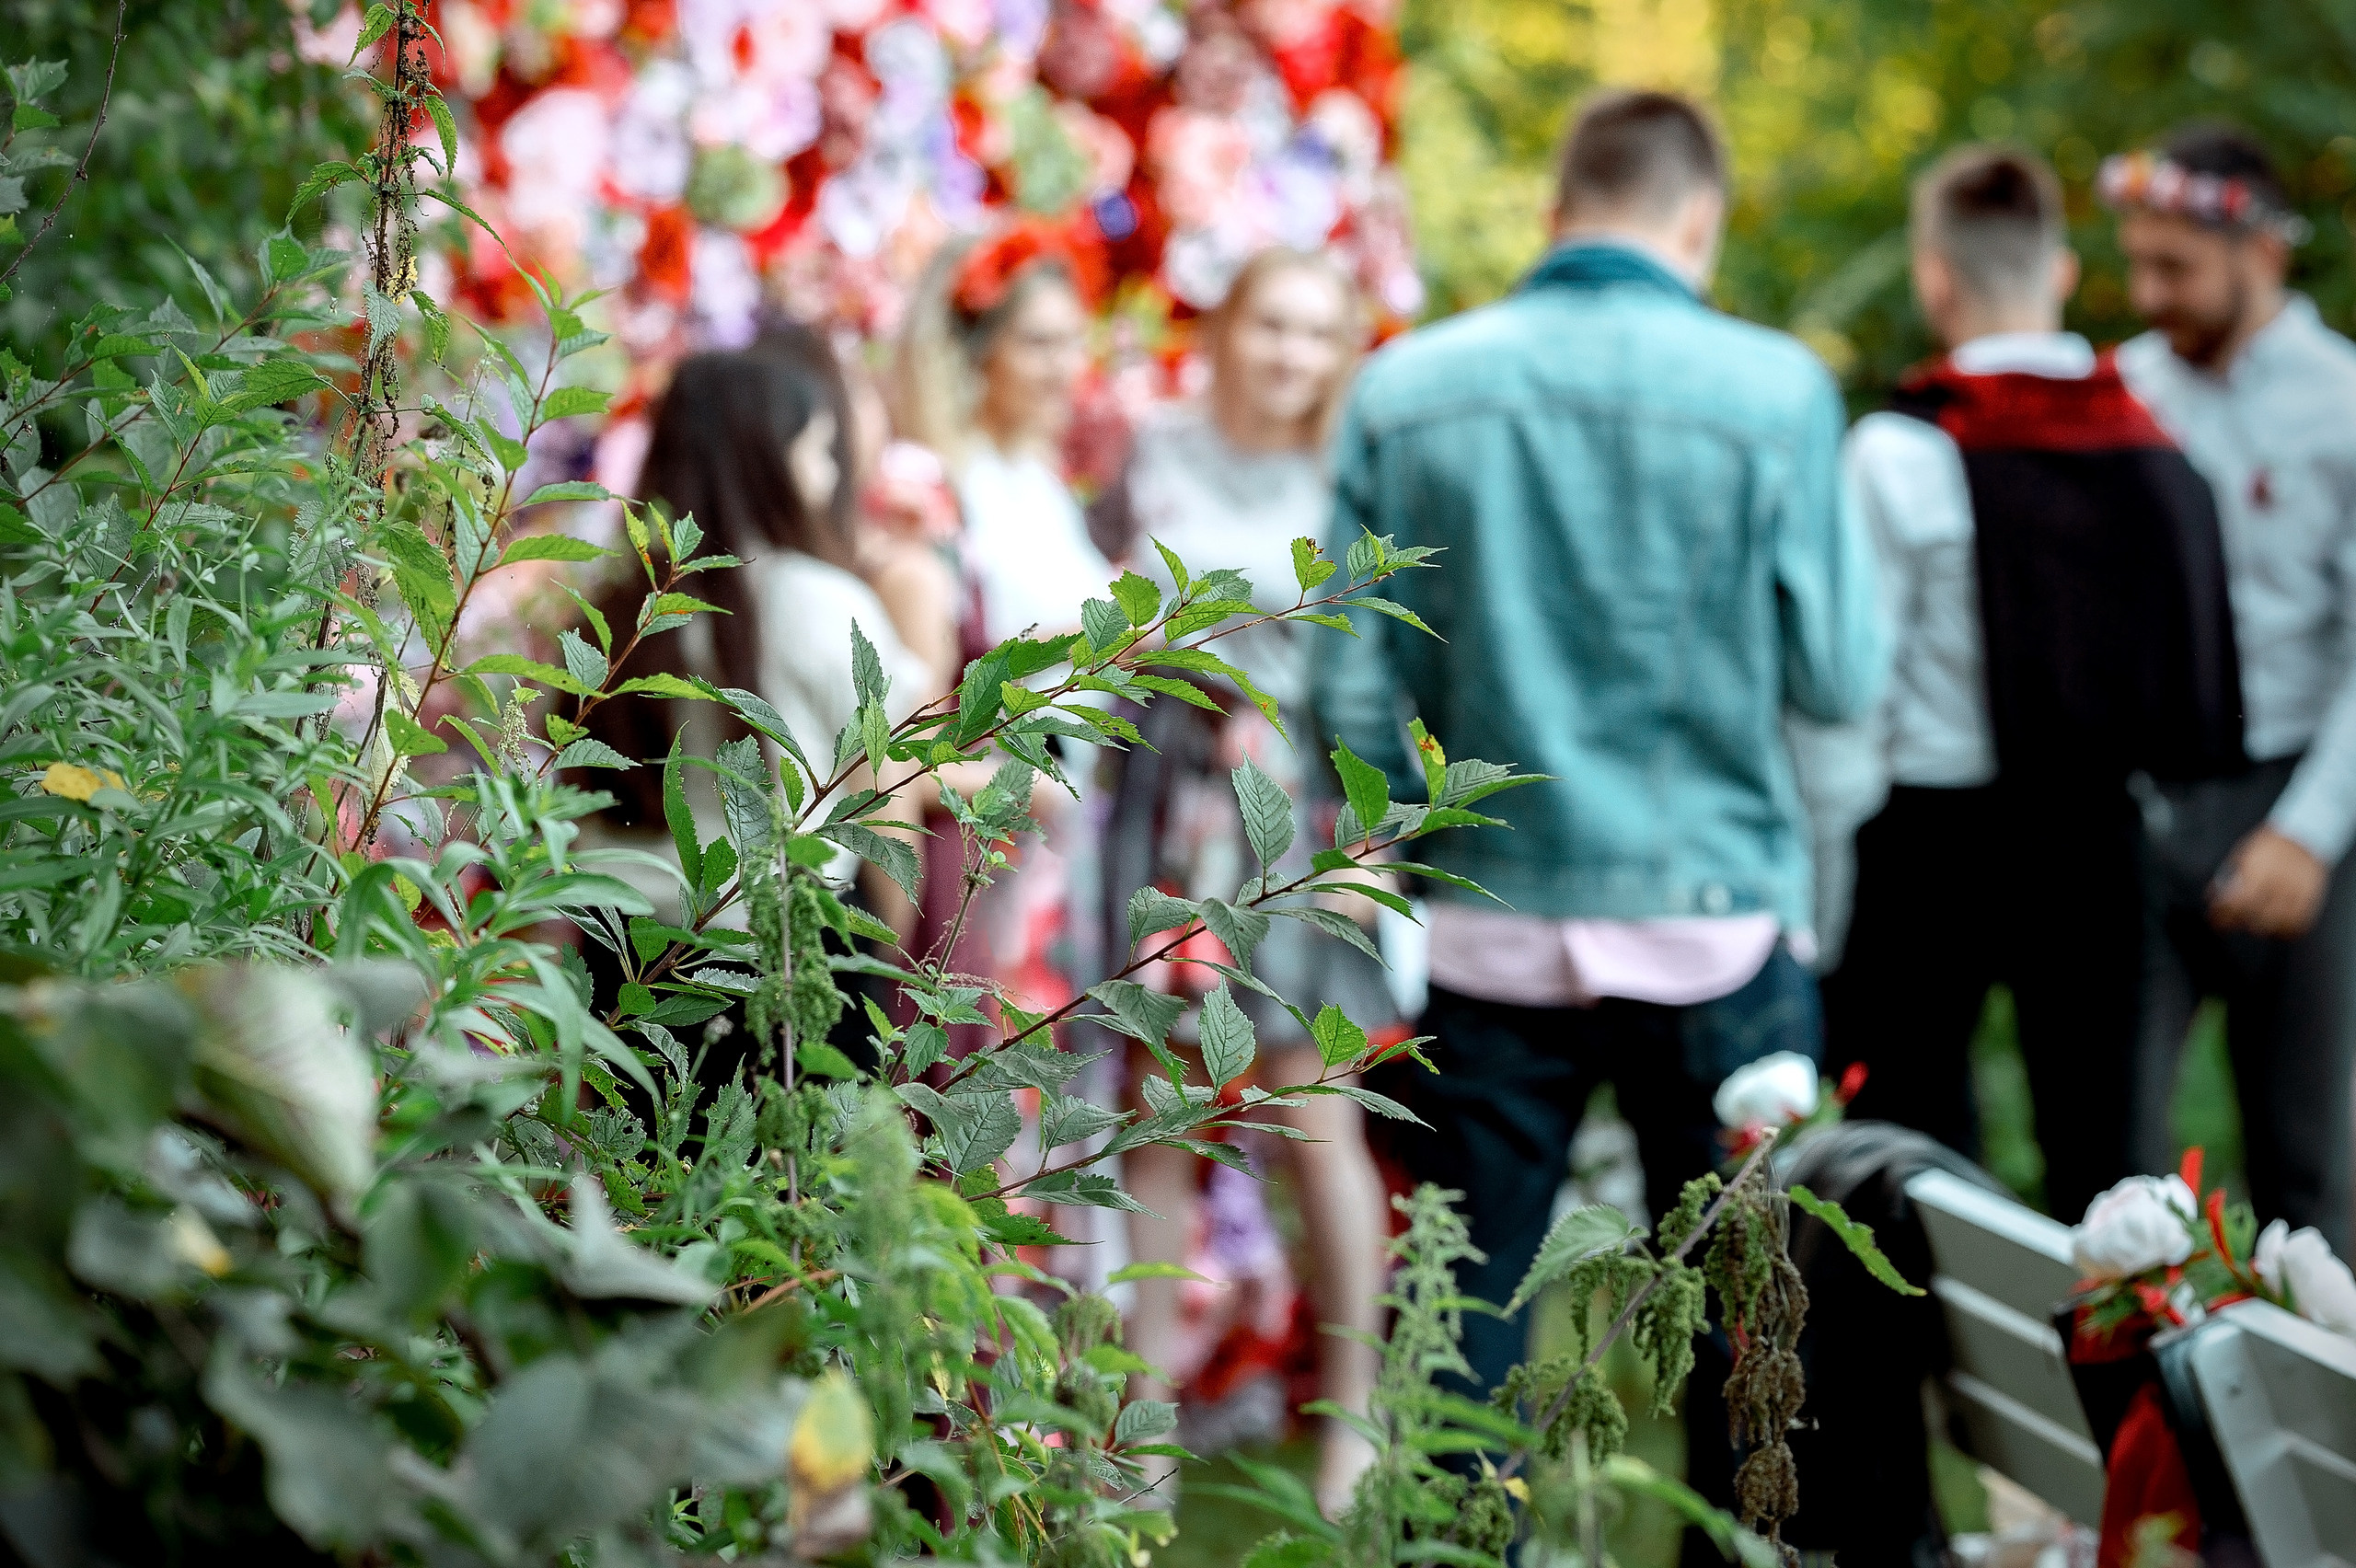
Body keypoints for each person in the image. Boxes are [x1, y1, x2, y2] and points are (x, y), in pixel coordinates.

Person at [1311, 87, 1885, 1419]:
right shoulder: (1776, 391)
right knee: (1747, 1326)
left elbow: (1343, 677)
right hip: (1712, 913)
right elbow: (1839, 675)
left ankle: (1455, 1523)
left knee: (1462, 1311)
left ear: (1554, 208)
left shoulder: (1406, 390)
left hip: (1487, 917)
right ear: (1701, 219)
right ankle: (1737, 1529)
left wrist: (1401, 840)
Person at [1820, 145, 2244, 1226]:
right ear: (2059, 270)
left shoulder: (1900, 450)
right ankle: (2115, 1340)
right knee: (2110, 1160)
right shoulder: (2156, 442)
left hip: (1925, 838)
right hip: (2100, 831)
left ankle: (1911, 1341)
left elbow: (1854, 690)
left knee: (1901, 1155)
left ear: (1934, 276)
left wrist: (1821, 864)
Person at [1088, 248, 1393, 1518]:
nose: (1291, 353)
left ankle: (1356, 1419)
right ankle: (1143, 1432)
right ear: (1225, 329)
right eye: (1272, 324)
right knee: (1157, 1108)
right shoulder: (1149, 447)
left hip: (1292, 800)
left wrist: (1367, 838)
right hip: (1166, 797)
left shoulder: (1354, 475)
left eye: (1318, 333)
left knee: (1312, 1109)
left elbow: (1375, 669)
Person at [2106, 124, 2356, 1251]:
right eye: (2137, 265)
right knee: (2114, 1159)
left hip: (2292, 798)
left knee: (2306, 1168)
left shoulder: (2341, 402)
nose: (2148, 294)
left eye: (2176, 269)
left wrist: (2307, 834)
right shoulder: (2122, 392)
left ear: (2261, 250)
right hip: (2140, 801)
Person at [890, 220, 1117, 1040]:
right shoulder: (937, 489)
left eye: (1073, 342)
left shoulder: (1041, 479)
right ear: (979, 348)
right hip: (974, 831)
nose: (1066, 366)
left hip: (1050, 828)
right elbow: (907, 731)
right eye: (1038, 343)